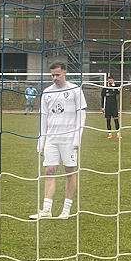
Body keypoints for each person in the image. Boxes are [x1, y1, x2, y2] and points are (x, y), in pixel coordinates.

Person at [29, 62, 86, 220]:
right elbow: (43, 118)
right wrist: (41, 140)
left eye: (58, 74)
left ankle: (66, 209)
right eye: (52, 75)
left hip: (69, 138)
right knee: (49, 170)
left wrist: (77, 137)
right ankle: (46, 210)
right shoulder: (47, 92)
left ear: (64, 73)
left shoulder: (75, 90)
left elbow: (81, 115)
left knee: (70, 172)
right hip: (51, 138)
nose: (55, 78)